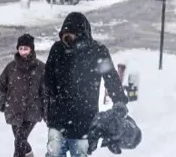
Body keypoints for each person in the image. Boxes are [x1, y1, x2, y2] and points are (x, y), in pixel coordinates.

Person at [41, 12, 128, 157]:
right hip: (58, 119)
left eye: (70, 34)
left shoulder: (97, 51)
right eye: (64, 34)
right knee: (54, 154)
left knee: (79, 154)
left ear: (81, 33)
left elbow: (111, 78)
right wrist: (50, 103)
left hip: (83, 120)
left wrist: (119, 100)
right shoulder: (57, 49)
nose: (66, 38)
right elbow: (47, 79)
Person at [0, 34, 46, 157]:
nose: (23, 52)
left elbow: (46, 91)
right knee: (20, 141)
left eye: (26, 48)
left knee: (19, 141)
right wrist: (2, 102)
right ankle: (29, 155)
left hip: (32, 112)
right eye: (20, 48)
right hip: (14, 110)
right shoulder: (11, 67)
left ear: (32, 49)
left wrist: (45, 110)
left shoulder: (41, 68)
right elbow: (1, 85)